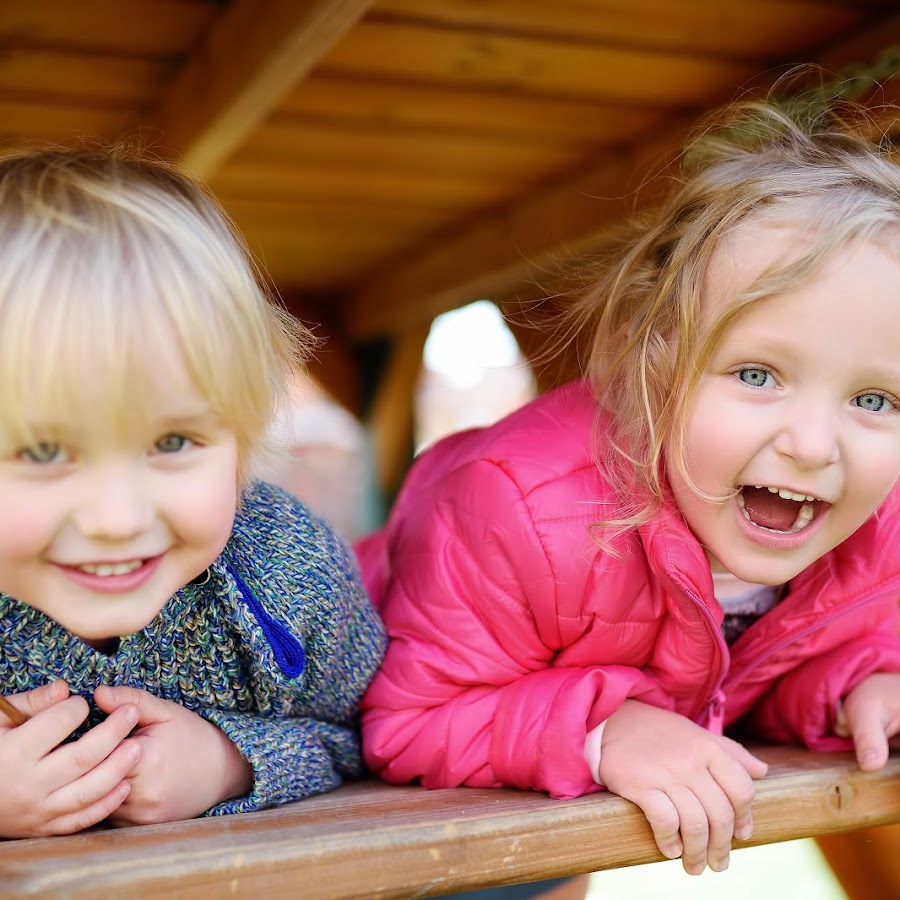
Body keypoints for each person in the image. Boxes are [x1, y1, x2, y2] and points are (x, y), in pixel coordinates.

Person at [357, 86, 900, 890]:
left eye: (874, 400)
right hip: (370, 790)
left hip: (542, 808)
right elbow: (403, 721)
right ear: (655, 360)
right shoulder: (520, 504)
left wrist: (861, 688)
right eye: (758, 375)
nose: (814, 445)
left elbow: (757, 672)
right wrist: (607, 728)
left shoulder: (874, 524)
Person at [0, 148, 386, 839]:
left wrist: (234, 761)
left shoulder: (293, 569)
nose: (117, 520)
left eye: (173, 441)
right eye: (45, 450)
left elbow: (374, 733)